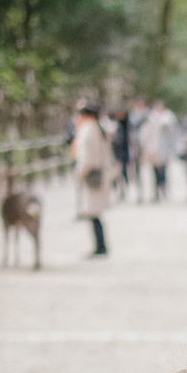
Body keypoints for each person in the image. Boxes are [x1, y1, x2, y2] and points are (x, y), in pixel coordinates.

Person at [73, 103, 112, 257]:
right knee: (95, 213)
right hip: (99, 173)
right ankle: (100, 245)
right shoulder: (97, 129)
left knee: (93, 213)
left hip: (91, 175)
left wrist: (79, 175)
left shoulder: (88, 131)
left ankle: (99, 246)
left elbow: (85, 158)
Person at [138, 99, 181, 202]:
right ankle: (156, 192)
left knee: (163, 171)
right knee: (154, 172)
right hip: (152, 149)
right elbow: (144, 133)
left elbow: (173, 132)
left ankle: (163, 189)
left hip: (164, 148)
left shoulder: (169, 116)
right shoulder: (150, 118)